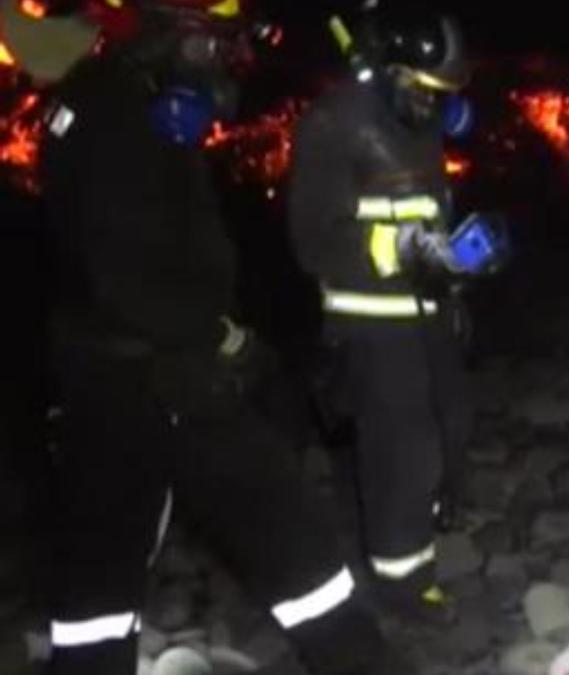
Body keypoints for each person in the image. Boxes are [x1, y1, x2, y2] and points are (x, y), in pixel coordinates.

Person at [39, 1, 403, 672]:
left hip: (102, 382)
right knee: (290, 535)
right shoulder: (120, 119)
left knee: (99, 570)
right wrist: (220, 337)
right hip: (165, 377)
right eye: (213, 46)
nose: (223, 63)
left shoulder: (101, 103)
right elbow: (124, 271)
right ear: (162, 36)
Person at [288, 2, 481, 624]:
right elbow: (313, 239)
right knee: (401, 449)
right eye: (428, 89)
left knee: (447, 426)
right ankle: (404, 582)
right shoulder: (333, 123)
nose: (436, 104)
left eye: (444, 93)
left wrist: (454, 270)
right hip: (370, 318)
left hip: (425, 306)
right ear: (395, 71)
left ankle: (431, 520)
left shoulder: (412, 116)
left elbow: (423, 207)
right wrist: (398, 250)